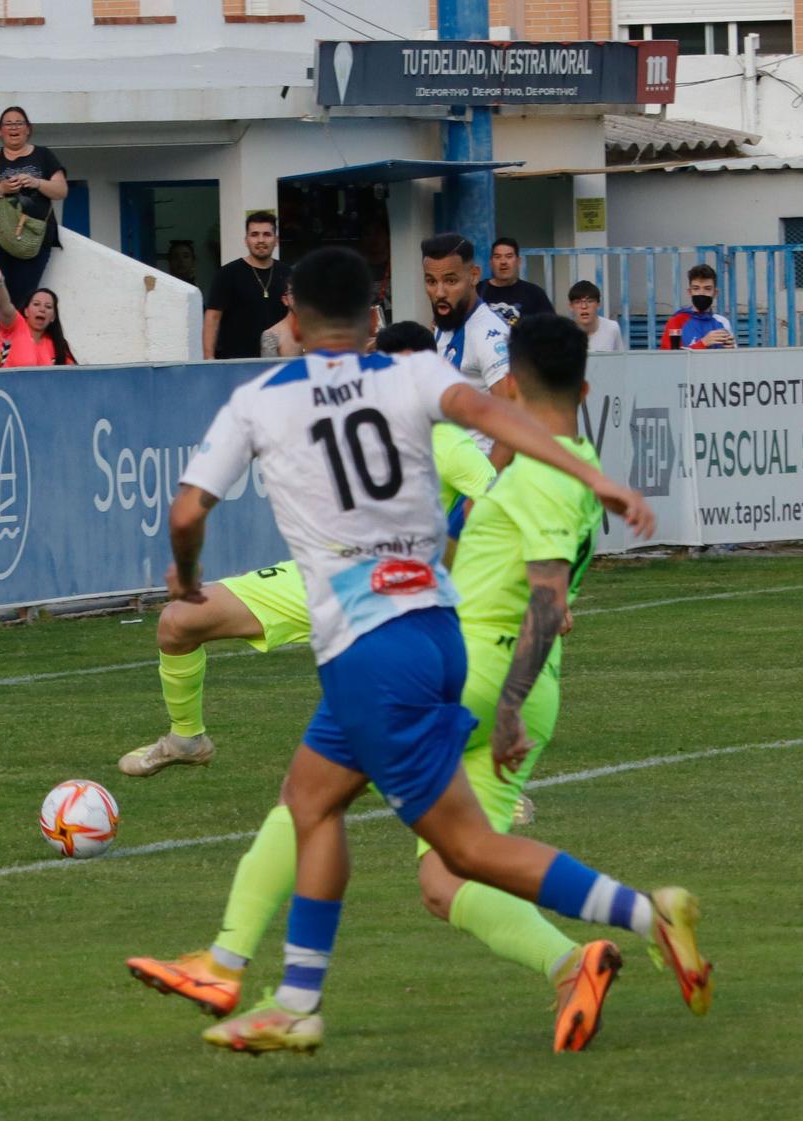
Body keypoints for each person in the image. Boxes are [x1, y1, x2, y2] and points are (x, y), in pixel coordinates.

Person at [125, 247, 706, 1056]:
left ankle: (642, 912)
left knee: (451, 845)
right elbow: (492, 414)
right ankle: (257, 981)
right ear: (372, 317)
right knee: (318, 800)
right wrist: (595, 478)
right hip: (438, 628)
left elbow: (188, 514)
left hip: (374, 645)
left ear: (290, 320)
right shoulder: (414, 377)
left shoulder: (260, 398)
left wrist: (186, 579)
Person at [116, 318, 496, 782]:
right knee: (178, 621)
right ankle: (186, 739)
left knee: (403, 709)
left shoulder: (450, 442)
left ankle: (486, 785)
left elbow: (499, 501)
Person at [0, 106, 66, 327]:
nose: (14, 128)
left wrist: (36, 182)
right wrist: (1, 188)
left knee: (25, 299)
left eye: (19, 123)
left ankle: (21, 356)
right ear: (0, 131)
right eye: (8, 124)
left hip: (34, 238)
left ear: (28, 129)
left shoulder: (44, 155)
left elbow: (61, 190)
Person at [422, 232, 514, 418]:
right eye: (431, 281)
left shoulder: (489, 337)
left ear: (474, 276)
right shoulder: (446, 320)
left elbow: (514, 419)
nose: (439, 292)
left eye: (450, 280)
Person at [202, 211, 285, 359]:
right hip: (237, 363)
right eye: (254, 234)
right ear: (246, 240)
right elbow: (212, 317)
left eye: (267, 234)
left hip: (279, 364)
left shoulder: (288, 274)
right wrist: (209, 360)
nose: (261, 240)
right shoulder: (228, 274)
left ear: (276, 240)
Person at [0, 260, 72, 367]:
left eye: (48, 307)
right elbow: (5, 306)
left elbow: (72, 375)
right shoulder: (14, 327)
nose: (42, 309)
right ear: (26, 311)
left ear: (53, 317)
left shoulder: (58, 345)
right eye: (36, 304)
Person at [660, 264, 737, 349]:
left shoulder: (723, 322)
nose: (701, 293)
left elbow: (733, 359)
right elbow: (669, 358)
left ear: (715, 293)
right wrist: (703, 343)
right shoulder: (676, 322)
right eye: (696, 288)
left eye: (707, 288)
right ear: (690, 292)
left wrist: (731, 349)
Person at [482, 237, 555, 326]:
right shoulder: (477, 291)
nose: (503, 262)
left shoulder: (534, 293)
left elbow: (552, 329)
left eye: (509, 256)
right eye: (497, 257)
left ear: (518, 261)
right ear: (491, 262)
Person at [568, 279, 625, 353]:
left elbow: (620, 361)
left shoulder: (612, 328)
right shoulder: (564, 334)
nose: (584, 306)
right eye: (578, 302)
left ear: (598, 304)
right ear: (571, 306)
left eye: (590, 301)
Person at [257, 282, 298, 359]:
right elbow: (270, 369)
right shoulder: (272, 335)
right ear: (285, 300)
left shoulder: (317, 331)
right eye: (294, 292)